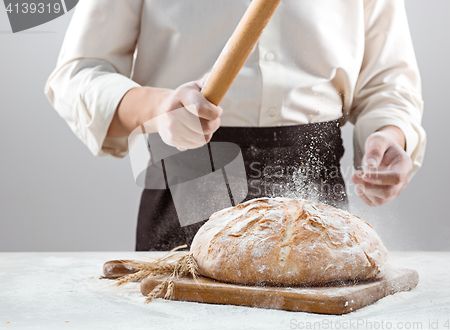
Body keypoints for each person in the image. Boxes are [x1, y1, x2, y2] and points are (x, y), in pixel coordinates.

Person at [45, 0, 426, 251]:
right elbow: (78, 75)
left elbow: (387, 83)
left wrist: (390, 134)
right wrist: (159, 107)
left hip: (314, 186)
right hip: (188, 177)